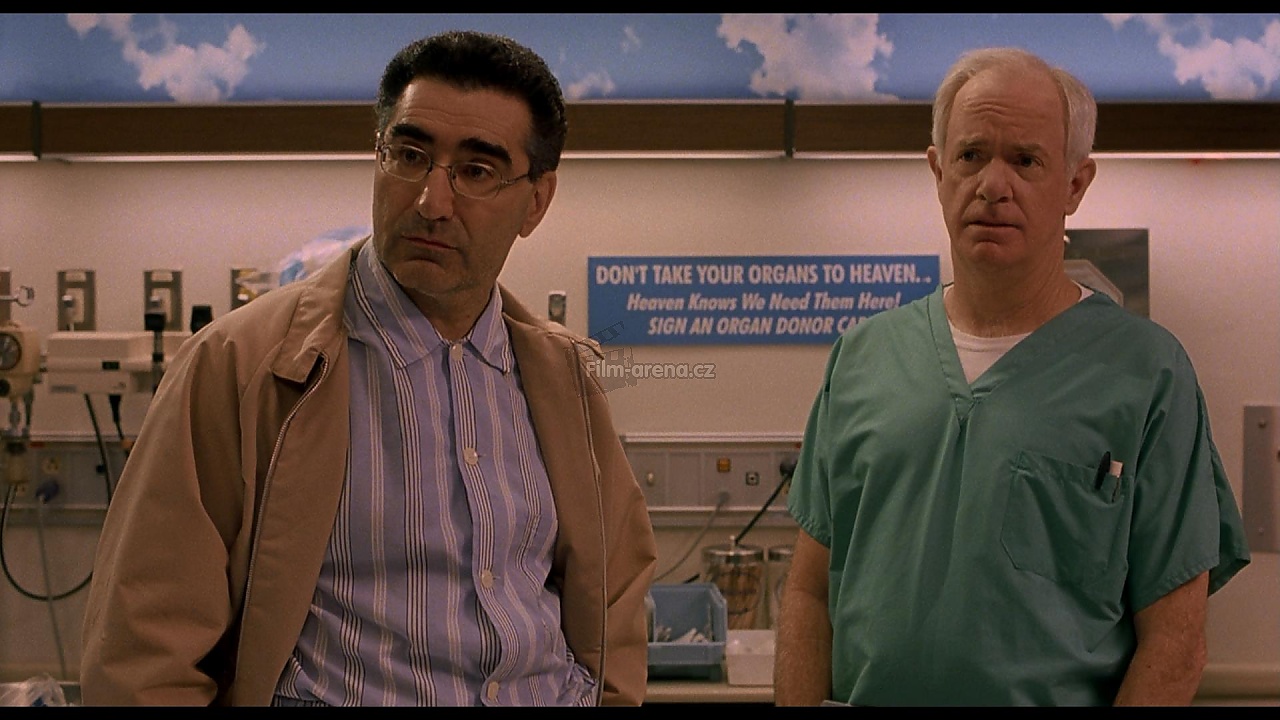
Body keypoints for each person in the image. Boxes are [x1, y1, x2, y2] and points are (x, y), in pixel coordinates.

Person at [79, 30, 657, 707]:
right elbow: (143, 651)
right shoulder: (241, 369)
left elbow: (615, 594)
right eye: (410, 156)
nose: (431, 201)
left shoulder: (563, 381)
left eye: (476, 171)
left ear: (535, 201)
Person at [774, 46, 1251, 707]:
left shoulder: (1146, 375)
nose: (992, 185)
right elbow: (808, 594)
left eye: (1026, 161)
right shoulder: (862, 359)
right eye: (971, 155)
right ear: (938, 170)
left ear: (1076, 185)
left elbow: (1176, 641)